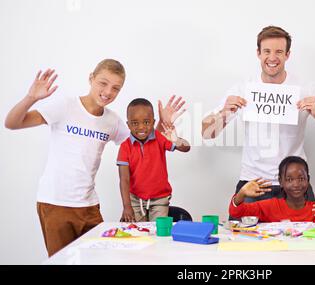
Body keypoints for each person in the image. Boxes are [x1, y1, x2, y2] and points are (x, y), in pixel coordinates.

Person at [3, 59, 185, 256]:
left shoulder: (112, 121)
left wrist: (161, 126)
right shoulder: (65, 105)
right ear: (91, 78)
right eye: (103, 83)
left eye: (116, 88)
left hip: (90, 206)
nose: (108, 92)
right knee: (62, 260)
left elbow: (143, 141)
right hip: (56, 203)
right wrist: (31, 97)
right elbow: (12, 123)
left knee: (99, 258)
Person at [202, 26, 315, 204]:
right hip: (253, 182)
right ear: (258, 53)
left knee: (306, 232)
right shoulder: (243, 88)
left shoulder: (305, 89)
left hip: (294, 182)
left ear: (287, 55)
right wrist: (224, 113)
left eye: (279, 52)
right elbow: (206, 133)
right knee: (242, 232)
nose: (272, 58)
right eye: (267, 51)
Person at [117, 98, 190, 222]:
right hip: (135, 199)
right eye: (135, 123)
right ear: (128, 124)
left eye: (146, 122)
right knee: (137, 232)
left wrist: (175, 139)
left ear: (153, 122)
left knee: (159, 231)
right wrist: (127, 206)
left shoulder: (159, 138)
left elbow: (186, 147)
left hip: (159, 199)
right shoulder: (125, 147)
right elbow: (124, 179)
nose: (141, 127)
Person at [229, 156, 315, 222]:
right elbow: (237, 212)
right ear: (281, 181)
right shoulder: (269, 206)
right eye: (289, 179)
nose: (296, 184)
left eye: (301, 179)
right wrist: (242, 193)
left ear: (308, 180)